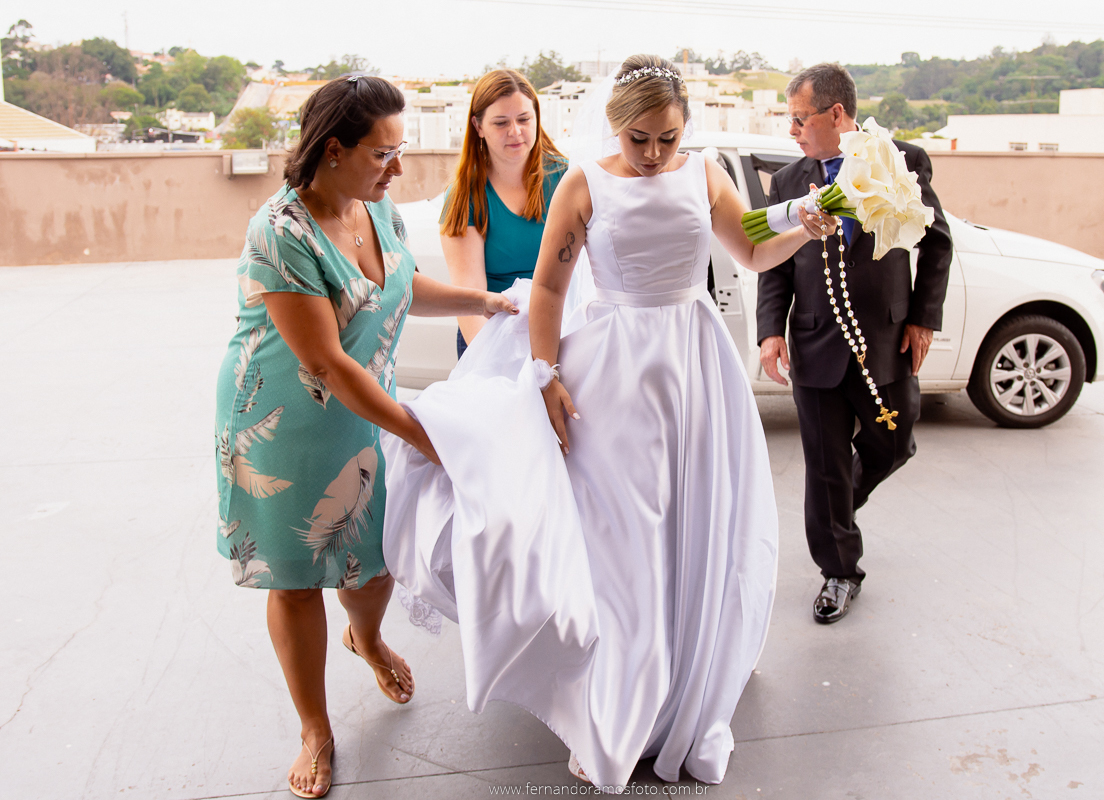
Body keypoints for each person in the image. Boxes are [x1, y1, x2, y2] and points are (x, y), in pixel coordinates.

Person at [380, 55, 832, 790]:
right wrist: (545, 375)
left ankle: (688, 679)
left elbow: (752, 249)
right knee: (625, 540)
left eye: (667, 138)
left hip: (695, 367)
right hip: (615, 373)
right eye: (638, 139)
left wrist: (805, 230)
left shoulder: (706, 173)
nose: (652, 154)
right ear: (614, 127)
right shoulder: (584, 183)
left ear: (685, 127)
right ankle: (620, 705)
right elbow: (549, 288)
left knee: (696, 521)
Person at [213, 75, 515, 799]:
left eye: (399, 150)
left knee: (376, 562)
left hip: (366, 409)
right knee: (296, 582)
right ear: (333, 150)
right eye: (383, 153)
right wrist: (424, 435)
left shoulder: (377, 208)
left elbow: (401, 287)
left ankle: (368, 637)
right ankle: (315, 728)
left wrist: (484, 300)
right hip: (285, 425)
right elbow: (325, 362)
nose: (398, 168)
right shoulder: (281, 232)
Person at [756, 63, 953, 625]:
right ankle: (839, 570)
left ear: (836, 113)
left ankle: (838, 507)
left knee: (895, 441)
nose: (792, 130)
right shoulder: (787, 181)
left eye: (800, 119)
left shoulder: (902, 160)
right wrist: (771, 331)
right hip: (815, 341)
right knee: (825, 467)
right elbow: (775, 265)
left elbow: (937, 242)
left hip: (885, 339)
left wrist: (923, 318)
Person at [440, 69, 568, 357]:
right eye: (501, 122)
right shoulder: (464, 196)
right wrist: (494, 363)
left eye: (524, 119)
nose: (515, 132)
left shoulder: (566, 179)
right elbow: (470, 303)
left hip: (561, 330)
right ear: (478, 126)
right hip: (490, 338)